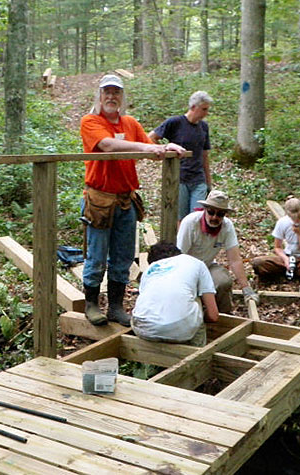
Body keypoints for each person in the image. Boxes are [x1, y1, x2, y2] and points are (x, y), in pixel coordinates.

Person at [80, 73, 185, 327]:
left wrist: (167, 147)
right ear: (100, 95)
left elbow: (149, 147)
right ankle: (92, 305)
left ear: (122, 97)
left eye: (116, 92)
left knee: (124, 255)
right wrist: (148, 148)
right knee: (96, 253)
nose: (111, 97)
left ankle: (116, 306)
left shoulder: (130, 123)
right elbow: (106, 145)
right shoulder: (91, 121)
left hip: (126, 200)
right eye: (107, 92)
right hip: (100, 200)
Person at [176, 189, 259, 313]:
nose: (214, 217)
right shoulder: (190, 223)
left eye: (220, 214)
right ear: (205, 209)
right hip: (187, 268)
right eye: (211, 212)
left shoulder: (227, 226)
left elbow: (235, 260)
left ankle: (224, 318)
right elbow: (179, 256)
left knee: (223, 281)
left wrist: (246, 289)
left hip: (208, 266)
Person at [131, 241, 218, 346]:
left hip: (142, 329)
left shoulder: (150, 269)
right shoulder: (196, 263)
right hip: (180, 332)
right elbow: (213, 315)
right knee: (194, 298)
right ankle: (198, 349)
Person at [148, 91, 213, 221]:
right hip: (179, 178)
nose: (206, 113)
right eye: (204, 109)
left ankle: (194, 242)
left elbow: (204, 155)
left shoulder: (203, 127)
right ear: (194, 107)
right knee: (181, 218)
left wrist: (208, 182)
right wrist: (165, 150)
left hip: (198, 179)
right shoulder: (175, 122)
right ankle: (181, 241)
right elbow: (151, 137)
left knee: (198, 216)